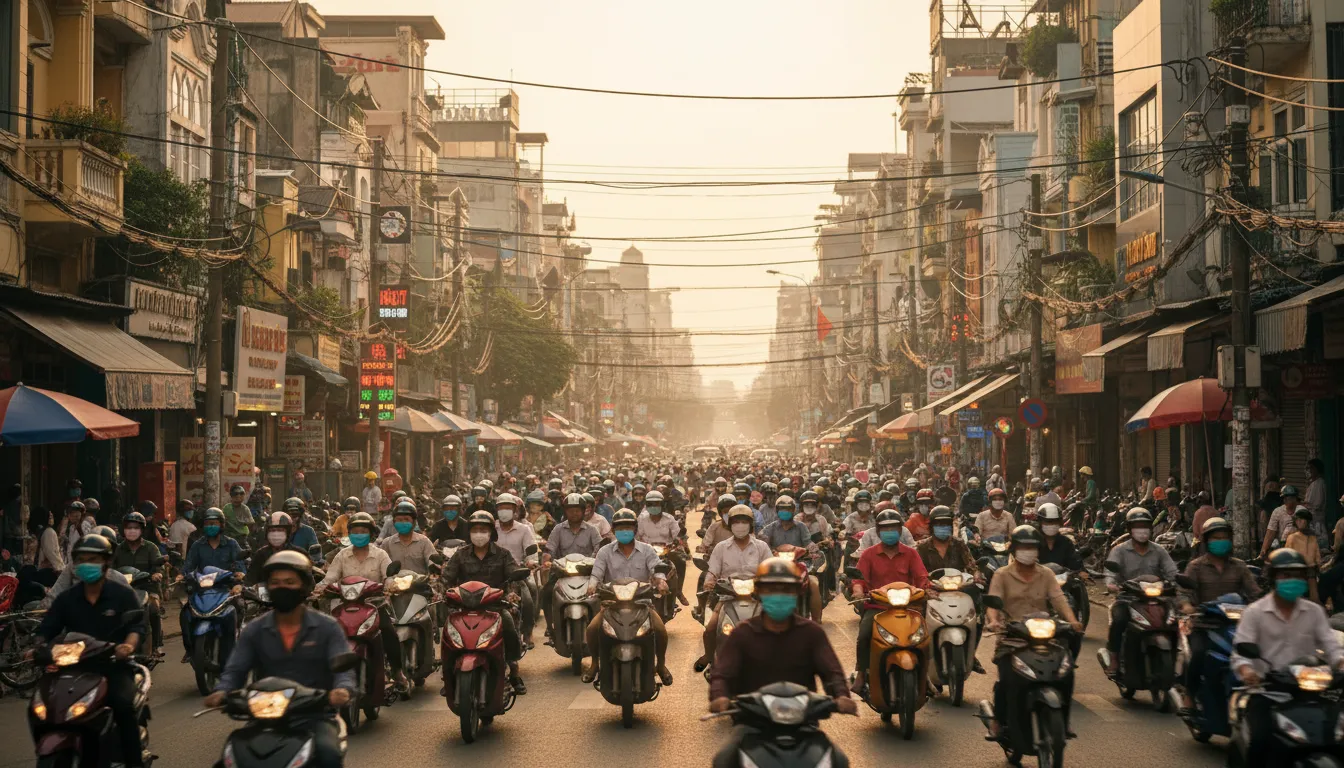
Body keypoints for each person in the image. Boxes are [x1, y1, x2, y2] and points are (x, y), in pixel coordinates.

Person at [208, 551, 354, 768]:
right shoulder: (255, 630)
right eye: (275, 582)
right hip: (264, 717)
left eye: (289, 582)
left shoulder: (327, 627)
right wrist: (222, 691)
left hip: (315, 716)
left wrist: (341, 690)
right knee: (229, 759)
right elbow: (235, 669)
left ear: (304, 586)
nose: (282, 587)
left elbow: (343, 669)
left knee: (329, 755)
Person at [707, 557, 856, 768]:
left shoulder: (811, 633)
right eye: (771, 590)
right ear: (759, 594)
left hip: (804, 724)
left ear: (797, 594)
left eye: (786, 590)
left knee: (839, 761)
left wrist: (841, 696)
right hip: (752, 725)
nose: (779, 595)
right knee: (722, 760)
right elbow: (722, 673)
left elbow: (832, 671)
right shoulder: (742, 633)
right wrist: (719, 697)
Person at [36, 534, 147, 766]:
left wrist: (128, 646)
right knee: (42, 708)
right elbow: (47, 628)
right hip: (73, 667)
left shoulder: (122, 594)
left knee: (123, 707)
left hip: (114, 667)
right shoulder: (67, 599)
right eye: (82, 559)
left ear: (106, 562)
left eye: (93, 559)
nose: (87, 564)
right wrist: (37, 647)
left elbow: (137, 626)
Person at [1231, 548, 1344, 767]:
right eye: (1285, 575)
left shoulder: (1315, 612)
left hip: (1312, 692)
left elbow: (1331, 647)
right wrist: (1248, 672)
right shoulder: (1255, 612)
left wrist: (1340, 663)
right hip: (1268, 692)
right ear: (1273, 578)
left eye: (1297, 575)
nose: (1292, 580)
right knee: (1259, 740)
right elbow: (1240, 654)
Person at [983, 525, 1083, 738]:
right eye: (1023, 546)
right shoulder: (1002, 574)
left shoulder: (1046, 574)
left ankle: (1064, 720)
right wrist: (993, 621)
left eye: (1032, 547)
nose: (1028, 551)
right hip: (1012, 636)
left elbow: (1058, 599)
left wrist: (1072, 621)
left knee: (1065, 673)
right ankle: (998, 722)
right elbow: (994, 603)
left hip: (1043, 633)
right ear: (1014, 549)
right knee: (1007, 680)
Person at [314, 511, 406, 688]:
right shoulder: (342, 555)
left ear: (371, 533)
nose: (359, 534)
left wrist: (390, 585)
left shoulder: (380, 555)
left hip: (374, 605)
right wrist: (319, 588)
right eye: (355, 531)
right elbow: (330, 578)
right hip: (345, 607)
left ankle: (397, 671)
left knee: (389, 633)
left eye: (363, 531)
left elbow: (389, 576)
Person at [1176, 517, 1259, 713]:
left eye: (1224, 537)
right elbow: (1184, 593)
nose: (1220, 541)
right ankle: (1189, 695)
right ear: (1206, 541)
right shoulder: (1196, 566)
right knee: (1197, 653)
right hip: (1204, 624)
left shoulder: (1239, 566)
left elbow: (1254, 593)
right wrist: (1188, 606)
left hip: (1237, 625)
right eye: (1216, 538)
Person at [580, 509, 672, 686]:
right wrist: (592, 585)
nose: (625, 531)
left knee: (660, 630)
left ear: (635, 529)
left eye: (628, 527)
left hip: (642, 604)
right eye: (621, 527)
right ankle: (595, 663)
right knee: (592, 629)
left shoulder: (647, 550)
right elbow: (597, 572)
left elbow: (656, 568)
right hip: (611, 605)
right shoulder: (604, 552)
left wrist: (661, 582)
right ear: (614, 530)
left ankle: (661, 665)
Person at [440, 511, 526, 693]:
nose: (479, 533)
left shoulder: (503, 555)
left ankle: (514, 668)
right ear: (469, 533)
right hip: (464, 608)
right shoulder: (460, 555)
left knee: (509, 625)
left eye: (483, 529)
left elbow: (513, 577)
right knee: (448, 633)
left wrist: (512, 595)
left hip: (495, 607)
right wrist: (442, 593)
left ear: (491, 533)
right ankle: (447, 675)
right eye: (475, 529)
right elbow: (447, 578)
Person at [850, 509, 933, 695]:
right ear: (878, 532)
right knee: (864, 634)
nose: (890, 532)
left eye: (894, 528)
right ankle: (861, 674)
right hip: (877, 607)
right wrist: (857, 591)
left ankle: (925, 676)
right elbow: (858, 580)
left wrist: (927, 588)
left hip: (908, 606)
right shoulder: (868, 555)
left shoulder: (911, 553)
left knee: (924, 637)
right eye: (885, 528)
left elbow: (921, 576)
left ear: (900, 530)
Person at [694, 505, 772, 672]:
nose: (740, 525)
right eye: (736, 521)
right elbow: (713, 571)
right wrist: (709, 582)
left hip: (757, 597)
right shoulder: (721, 547)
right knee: (710, 628)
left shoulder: (762, 547)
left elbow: (770, 569)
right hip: (726, 597)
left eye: (744, 521)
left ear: (751, 525)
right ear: (730, 525)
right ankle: (709, 656)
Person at [1103, 508, 1178, 673]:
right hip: (1127, 598)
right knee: (1119, 620)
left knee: (1174, 622)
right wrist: (1111, 584)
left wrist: (1177, 583)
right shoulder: (1119, 550)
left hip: (1156, 598)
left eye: (1145, 526)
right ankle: (1114, 659)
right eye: (1138, 526)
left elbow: (1172, 572)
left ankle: (1175, 660)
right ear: (1130, 529)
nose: (1142, 530)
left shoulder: (1159, 550)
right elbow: (1110, 572)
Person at [540, 493, 603, 639]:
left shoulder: (592, 530)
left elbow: (600, 549)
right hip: (562, 572)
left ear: (583, 511)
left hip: (588, 573)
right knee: (547, 593)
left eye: (577, 510)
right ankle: (550, 627)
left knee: (604, 594)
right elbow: (549, 550)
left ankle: (602, 626)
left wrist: (597, 561)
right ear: (565, 511)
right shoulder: (558, 529)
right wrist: (546, 561)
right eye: (570, 510)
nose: (574, 513)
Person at [111, 511, 166, 655]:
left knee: (153, 609)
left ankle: (157, 644)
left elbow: (159, 565)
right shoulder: (118, 549)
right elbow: (110, 568)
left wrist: (157, 574)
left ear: (142, 530)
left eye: (135, 527)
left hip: (147, 588)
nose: (132, 530)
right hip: (123, 589)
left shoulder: (151, 547)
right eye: (129, 527)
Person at [637, 490, 687, 604]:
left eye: (656, 504)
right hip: (646, 551)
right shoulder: (641, 519)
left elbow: (678, 535)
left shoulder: (669, 519)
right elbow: (636, 536)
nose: (653, 506)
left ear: (662, 504)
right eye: (650, 504)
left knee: (680, 560)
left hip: (666, 551)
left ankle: (678, 590)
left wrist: (677, 542)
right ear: (646, 505)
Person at [378, 500, 437, 576]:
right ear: (394, 522)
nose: (403, 522)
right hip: (394, 585)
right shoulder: (387, 543)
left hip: (419, 584)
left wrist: (434, 565)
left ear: (414, 522)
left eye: (406, 519)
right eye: (399, 520)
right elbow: (380, 565)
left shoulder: (424, 542)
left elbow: (432, 561)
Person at [244, 511, 305, 585]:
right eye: (272, 530)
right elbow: (250, 579)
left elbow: (308, 581)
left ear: (288, 533)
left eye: (280, 530)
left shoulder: (299, 554)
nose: (276, 534)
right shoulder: (260, 554)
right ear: (267, 533)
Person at [1283, 507, 1321, 601]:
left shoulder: (1313, 538)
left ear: (1307, 522)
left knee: (1314, 597)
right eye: (1297, 520)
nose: (1299, 522)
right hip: (1297, 570)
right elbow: (1287, 555)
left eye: (1302, 520)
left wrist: (1319, 567)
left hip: (1311, 570)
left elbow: (1317, 555)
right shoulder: (1292, 538)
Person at [1262, 484, 1304, 559]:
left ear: (1295, 498)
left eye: (1290, 497)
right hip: (1283, 546)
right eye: (1286, 498)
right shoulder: (1277, 512)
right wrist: (1263, 551)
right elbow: (1270, 533)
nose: (1287, 500)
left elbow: (1305, 530)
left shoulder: (1302, 510)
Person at [1035, 503, 1080, 570]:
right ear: (1040, 522)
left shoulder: (1066, 542)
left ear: (1060, 523)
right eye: (1048, 522)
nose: (1052, 525)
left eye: (1055, 522)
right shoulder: (1033, 542)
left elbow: (1074, 565)